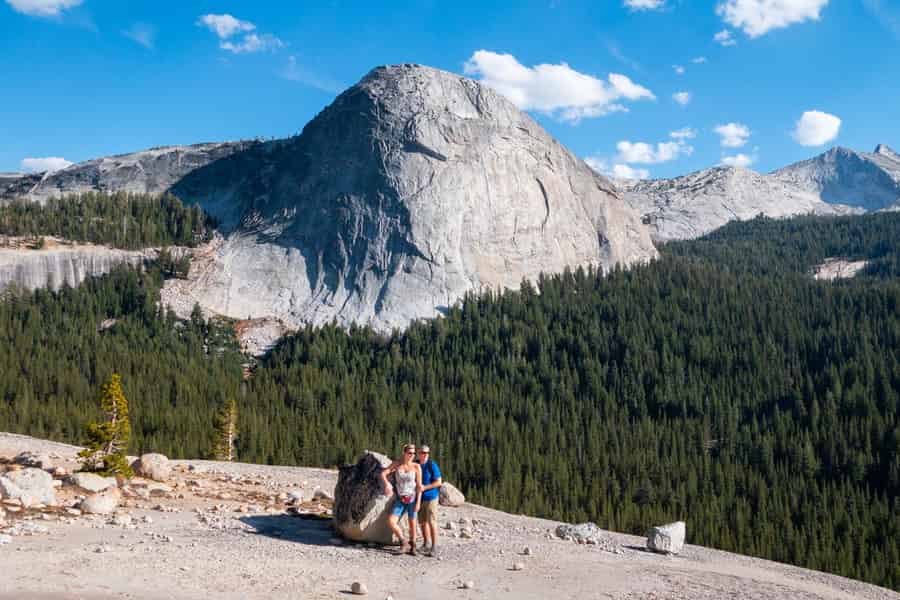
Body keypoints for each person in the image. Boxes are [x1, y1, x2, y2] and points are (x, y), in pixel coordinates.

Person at [380, 443, 423, 555]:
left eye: (413, 453)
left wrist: (418, 502)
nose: (412, 455)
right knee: (391, 521)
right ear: (404, 453)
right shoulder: (397, 464)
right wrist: (387, 484)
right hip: (401, 498)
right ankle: (404, 542)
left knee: (412, 523)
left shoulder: (416, 467)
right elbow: (383, 473)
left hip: (412, 498)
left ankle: (413, 546)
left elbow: (419, 486)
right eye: (409, 453)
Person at [416, 445, 443, 557]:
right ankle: (426, 543)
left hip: (431, 496)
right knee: (422, 522)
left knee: (432, 521)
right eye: (422, 452)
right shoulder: (416, 464)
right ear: (419, 453)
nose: (424, 454)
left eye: (426, 452)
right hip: (420, 498)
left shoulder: (432, 465)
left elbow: (439, 482)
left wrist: (425, 488)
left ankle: (434, 546)